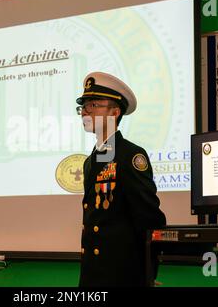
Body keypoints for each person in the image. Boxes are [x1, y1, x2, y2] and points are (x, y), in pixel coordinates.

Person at [76, 71, 166, 287]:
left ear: (115, 112)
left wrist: (147, 274)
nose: (86, 111)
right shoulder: (90, 162)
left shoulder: (130, 155)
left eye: (94, 105)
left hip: (122, 276)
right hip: (93, 276)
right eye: (84, 106)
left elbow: (149, 220)